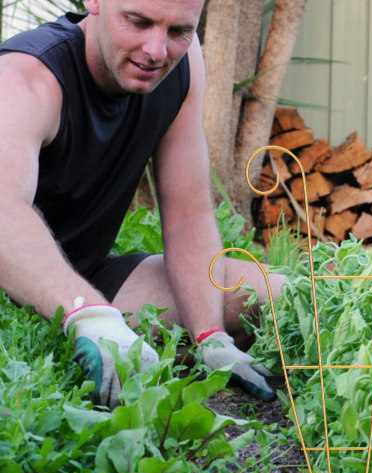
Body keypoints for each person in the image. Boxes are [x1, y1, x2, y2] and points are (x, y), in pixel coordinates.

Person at [0, 0, 283, 407]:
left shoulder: (180, 64)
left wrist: (211, 334)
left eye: (178, 31)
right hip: (17, 283)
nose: (155, 51)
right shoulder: (27, 77)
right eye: (138, 22)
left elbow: (188, 214)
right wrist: (89, 314)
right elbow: (4, 212)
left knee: (266, 294)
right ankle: (98, 337)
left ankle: (125, 345)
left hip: (88, 275)